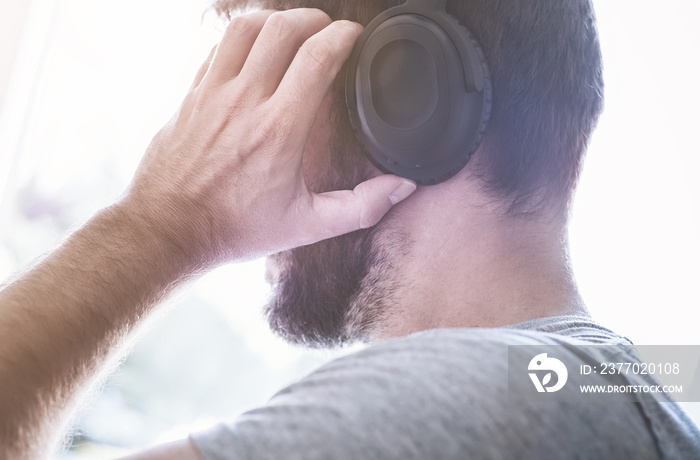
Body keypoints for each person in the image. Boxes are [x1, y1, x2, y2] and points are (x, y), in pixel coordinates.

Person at [0, 1, 698, 460]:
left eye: (266, 80)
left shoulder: (480, 405)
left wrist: (158, 225)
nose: (214, 133)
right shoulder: (592, 398)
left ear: (405, 96)